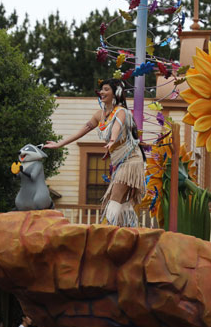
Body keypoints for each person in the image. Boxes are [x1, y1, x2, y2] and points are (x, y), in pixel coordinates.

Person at [44, 78, 145, 226]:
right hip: (121, 162)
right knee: (119, 199)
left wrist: (112, 140)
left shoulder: (121, 112)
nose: (102, 92)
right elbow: (81, 131)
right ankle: (128, 229)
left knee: (114, 197)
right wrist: (59, 144)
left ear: (115, 92)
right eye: (101, 89)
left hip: (131, 161)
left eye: (106, 89)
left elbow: (116, 127)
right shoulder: (99, 115)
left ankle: (108, 230)